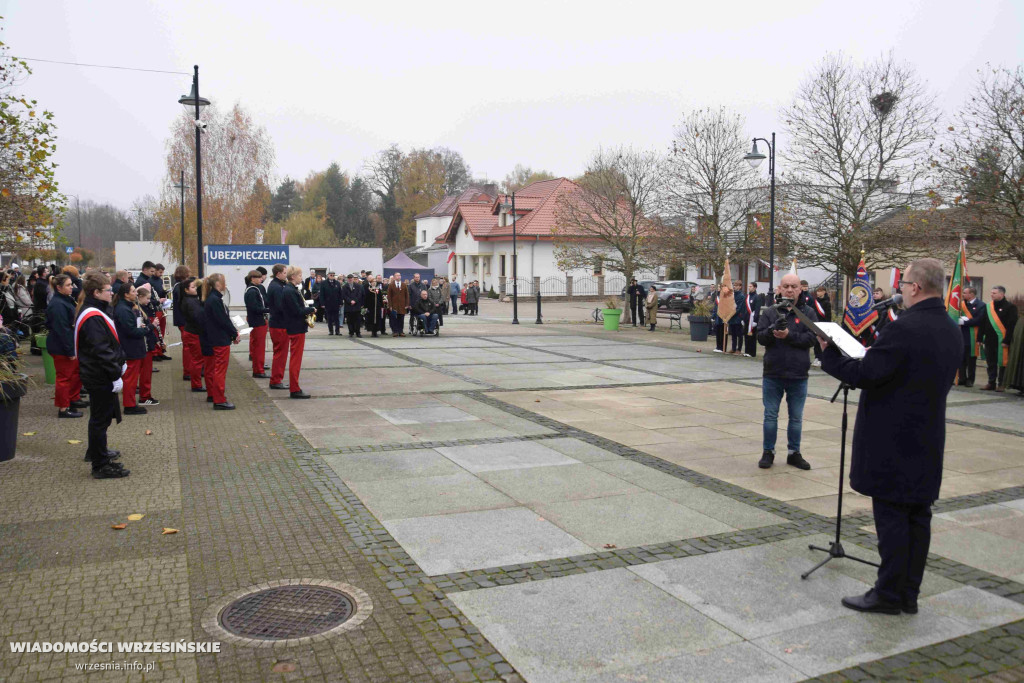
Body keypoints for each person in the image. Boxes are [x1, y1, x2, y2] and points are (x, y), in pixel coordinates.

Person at [819, 258, 961, 614]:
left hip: (893, 439)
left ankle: (887, 594)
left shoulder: (905, 328)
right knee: (918, 516)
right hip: (928, 437)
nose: (899, 291)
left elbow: (869, 373)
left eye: (903, 284)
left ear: (914, 287)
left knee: (893, 518)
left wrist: (830, 357)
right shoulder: (951, 326)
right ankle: (908, 593)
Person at [756, 273, 816, 470]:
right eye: (786, 286)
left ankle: (794, 453)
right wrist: (773, 331)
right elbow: (761, 338)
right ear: (779, 289)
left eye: (794, 286)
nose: (790, 290)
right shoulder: (770, 312)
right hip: (773, 372)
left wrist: (789, 335)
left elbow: (811, 340)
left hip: (798, 373)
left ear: (800, 289)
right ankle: (768, 452)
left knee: (796, 417)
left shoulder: (808, 313)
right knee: (770, 416)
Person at [75, 272, 129, 479]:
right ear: (96, 293)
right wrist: (115, 372)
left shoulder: (96, 310)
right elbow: (101, 349)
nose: (112, 292)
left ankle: (99, 452)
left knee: (102, 418)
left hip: (99, 372)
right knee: (100, 418)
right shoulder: (92, 316)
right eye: (108, 290)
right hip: (99, 375)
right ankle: (100, 464)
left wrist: (119, 362)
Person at [46, 274, 87, 418]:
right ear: (59, 287)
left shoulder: (65, 300)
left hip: (68, 344)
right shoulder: (58, 304)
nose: (72, 287)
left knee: (74, 373)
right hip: (61, 347)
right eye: (68, 285)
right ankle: (63, 408)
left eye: (71, 284)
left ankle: (72, 398)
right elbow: (62, 329)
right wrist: (70, 350)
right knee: (64, 378)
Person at [962, 285, 1017, 391]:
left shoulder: (1010, 307)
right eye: (991, 293)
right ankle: (991, 383)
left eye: (994, 293)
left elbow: (1011, 326)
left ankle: (1002, 383)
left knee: (1002, 363)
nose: (992, 295)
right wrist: (979, 338)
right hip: (989, 339)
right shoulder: (988, 307)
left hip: (1002, 340)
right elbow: (983, 323)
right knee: (990, 362)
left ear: (1002, 294)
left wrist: (1007, 340)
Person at [111, 282, 152, 416]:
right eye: (133, 291)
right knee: (130, 378)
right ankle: (129, 405)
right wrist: (147, 329)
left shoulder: (128, 307)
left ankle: (131, 403)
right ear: (126, 294)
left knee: (132, 378)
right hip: (130, 348)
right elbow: (131, 331)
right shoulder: (123, 310)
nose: (136, 294)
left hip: (134, 346)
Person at [202, 273, 239, 410]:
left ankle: (216, 396)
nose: (226, 284)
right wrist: (234, 333)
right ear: (218, 284)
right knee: (220, 371)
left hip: (217, 338)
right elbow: (222, 320)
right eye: (224, 282)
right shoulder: (215, 300)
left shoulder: (213, 298)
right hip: (219, 339)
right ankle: (219, 399)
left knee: (217, 369)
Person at [278, 266, 315, 398]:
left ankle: (295, 387)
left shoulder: (291, 289)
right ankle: (294, 388)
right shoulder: (289, 291)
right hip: (296, 327)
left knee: (296, 359)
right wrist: (311, 310)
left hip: (296, 327)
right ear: (293, 277)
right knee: (295, 360)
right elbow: (297, 311)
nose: (301, 277)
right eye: (299, 275)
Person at [134, 285, 161, 406]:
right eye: (147, 298)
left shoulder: (142, 308)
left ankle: (145, 395)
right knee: (145, 372)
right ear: (139, 297)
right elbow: (143, 329)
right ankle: (145, 397)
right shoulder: (138, 311)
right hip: (144, 345)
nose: (149, 301)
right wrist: (153, 325)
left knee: (146, 372)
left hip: (146, 344)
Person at [179, 278, 206, 394]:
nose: (195, 289)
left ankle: (196, 383)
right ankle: (196, 384)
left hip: (192, 331)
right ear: (186, 290)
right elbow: (198, 318)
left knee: (196, 359)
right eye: (193, 287)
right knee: (197, 360)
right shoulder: (190, 302)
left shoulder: (192, 299)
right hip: (194, 333)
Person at [266, 264, 290, 390]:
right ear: (278, 274)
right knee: (280, 354)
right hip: (280, 324)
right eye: (285, 273)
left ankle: (276, 379)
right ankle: (276, 380)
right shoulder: (277, 287)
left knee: (280, 353)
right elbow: (281, 307)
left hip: (278, 323)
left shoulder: (277, 285)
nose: (286, 275)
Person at [244, 269, 270, 378]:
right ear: (252, 279)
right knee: (259, 347)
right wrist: (268, 310)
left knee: (258, 346)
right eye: (259, 277)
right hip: (257, 321)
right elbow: (254, 308)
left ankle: (258, 368)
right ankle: (258, 370)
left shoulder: (255, 289)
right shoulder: (251, 291)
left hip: (258, 320)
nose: (261, 279)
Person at [959, 287, 984, 388]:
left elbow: (979, 320)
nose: (963, 295)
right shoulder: (961, 304)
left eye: (965, 293)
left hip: (972, 335)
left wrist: (965, 322)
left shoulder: (981, 305)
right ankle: (962, 378)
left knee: (971, 360)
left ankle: (970, 380)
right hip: (961, 334)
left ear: (971, 294)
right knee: (961, 359)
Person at [171, 265, 192, 380]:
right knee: (188, 346)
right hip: (184, 320)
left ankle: (189, 370)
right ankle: (188, 371)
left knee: (187, 345)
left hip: (181, 320)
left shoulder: (177, 286)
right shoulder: (181, 287)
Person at [810, 285, 832, 366]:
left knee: (822, 342)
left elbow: (828, 315)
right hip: (816, 324)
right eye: (817, 291)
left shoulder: (827, 302)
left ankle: (822, 358)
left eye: (820, 291)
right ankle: (817, 357)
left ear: (824, 292)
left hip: (823, 324)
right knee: (816, 342)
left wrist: (827, 325)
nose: (818, 293)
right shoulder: (815, 302)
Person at [741, 283, 761, 358]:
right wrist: (742, 318)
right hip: (746, 319)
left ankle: (752, 352)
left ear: (755, 287)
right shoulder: (747, 296)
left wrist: (755, 320)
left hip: (752, 319)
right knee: (746, 335)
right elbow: (743, 308)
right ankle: (746, 351)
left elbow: (757, 309)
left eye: (751, 286)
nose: (749, 288)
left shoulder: (757, 297)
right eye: (748, 286)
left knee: (752, 336)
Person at [320, 271, 342, 336]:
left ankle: (337, 331)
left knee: (336, 318)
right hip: (328, 303)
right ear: (328, 275)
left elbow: (340, 293)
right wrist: (322, 303)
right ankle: (331, 331)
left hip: (336, 303)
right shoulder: (324, 283)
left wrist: (340, 302)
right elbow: (321, 294)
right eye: (331, 275)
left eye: (333, 275)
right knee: (329, 318)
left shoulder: (337, 283)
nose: (332, 276)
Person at [728, 288, 745, 354]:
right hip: (732, 318)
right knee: (733, 334)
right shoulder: (732, 295)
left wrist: (732, 313)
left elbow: (739, 307)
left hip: (738, 317)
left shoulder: (741, 296)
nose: (735, 287)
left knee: (739, 334)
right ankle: (733, 348)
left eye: (736, 286)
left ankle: (739, 349)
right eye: (734, 285)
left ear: (740, 287)